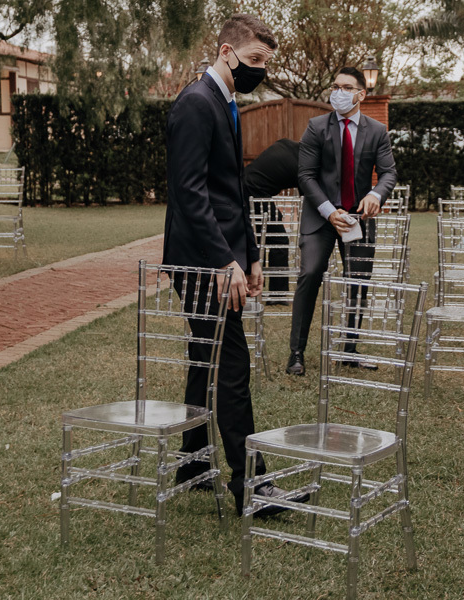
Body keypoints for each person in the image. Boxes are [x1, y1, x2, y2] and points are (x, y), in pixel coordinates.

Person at [163, 14, 294, 517]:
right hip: (200, 263)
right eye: (255, 60)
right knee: (232, 367)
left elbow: (231, 189)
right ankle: (251, 487)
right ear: (226, 51)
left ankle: (193, 464)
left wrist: (254, 256)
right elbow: (190, 194)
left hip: (226, 256)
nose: (259, 70)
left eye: (265, 62)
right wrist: (224, 263)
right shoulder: (196, 104)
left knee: (205, 359)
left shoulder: (225, 101)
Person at [286, 66, 397, 376]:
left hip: (357, 217)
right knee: (309, 274)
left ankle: (349, 348)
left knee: (358, 282)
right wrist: (326, 210)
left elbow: (389, 172)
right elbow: (305, 175)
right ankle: (296, 353)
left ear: (361, 94)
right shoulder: (316, 127)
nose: (339, 92)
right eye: (335, 86)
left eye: (346, 87)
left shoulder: (377, 131)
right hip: (321, 216)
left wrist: (376, 194)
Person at [243, 138, 300, 298]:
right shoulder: (303, 163)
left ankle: (272, 290)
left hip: (249, 189)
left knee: (258, 239)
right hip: (253, 193)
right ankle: (277, 294)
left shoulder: (287, 145)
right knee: (279, 241)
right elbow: (310, 195)